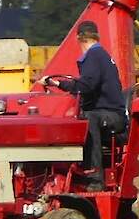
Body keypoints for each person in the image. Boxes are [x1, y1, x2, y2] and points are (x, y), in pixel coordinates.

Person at [38, 21, 126, 191]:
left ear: (79, 39)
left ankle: (94, 177)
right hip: (110, 112)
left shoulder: (93, 56)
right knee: (80, 115)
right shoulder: (101, 55)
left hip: (112, 116)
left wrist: (56, 83)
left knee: (87, 119)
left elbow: (86, 86)